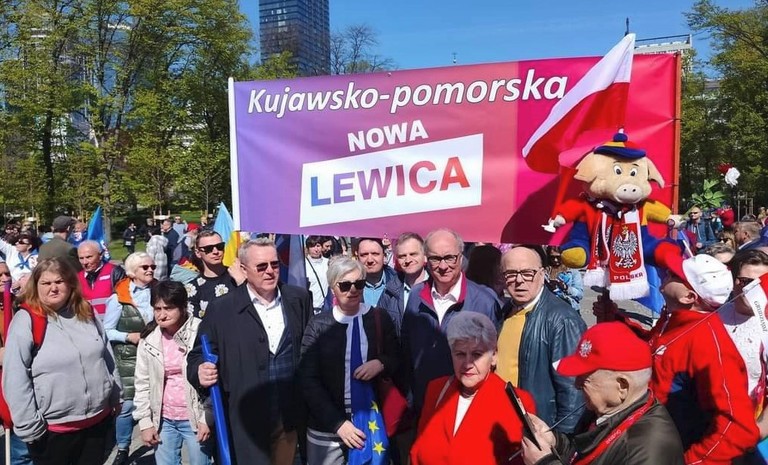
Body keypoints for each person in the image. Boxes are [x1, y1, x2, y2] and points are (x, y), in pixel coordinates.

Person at [596, 254, 760, 462]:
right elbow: (652, 350)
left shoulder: (708, 342)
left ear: (689, 297)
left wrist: (690, 461)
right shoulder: (674, 319)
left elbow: (739, 427)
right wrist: (617, 320)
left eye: (675, 275)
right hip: (647, 439)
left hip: (671, 448)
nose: (666, 273)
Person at [187, 238, 313, 465]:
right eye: (261, 266)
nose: (270, 271)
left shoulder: (298, 299)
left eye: (274, 264)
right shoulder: (222, 309)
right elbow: (197, 355)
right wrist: (200, 371)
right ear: (244, 270)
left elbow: (309, 351)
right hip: (246, 422)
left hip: (289, 418)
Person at [3, 258, 121, 464]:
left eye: (59, 281)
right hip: (53, 430)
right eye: (46, 283)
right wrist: (29, 425)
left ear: (70, 283)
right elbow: (15, 377)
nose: (54, 288)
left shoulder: (86, 312)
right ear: (36, 286)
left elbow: (106, 356)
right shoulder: (27, 320)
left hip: (97, 423)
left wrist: (116, 395)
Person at [521, 322, 684, 465]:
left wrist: (545, 462)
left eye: (585, 379)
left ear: (622, 386)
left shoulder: (649, 449)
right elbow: (582, 451)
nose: (577, 385)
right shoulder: (605, 410)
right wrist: (555, 441)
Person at [299, 256, 400, 464]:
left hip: (370, 421)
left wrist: (380, 363)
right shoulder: (318, 325)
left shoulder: (379, 318)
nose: (353, 290)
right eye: (345, 285)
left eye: (359, 284)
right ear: (332, 288)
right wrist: (338, 424)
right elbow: (308, 379)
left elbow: (396, 357)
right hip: (327, 427)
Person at [410, 312, 535, 465]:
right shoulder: (436, 389)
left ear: (494, 356)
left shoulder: (516, 402)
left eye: (477, 354)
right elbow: (417, 450)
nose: (467, 363)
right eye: (460, 354)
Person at [401, 228, 501, 415]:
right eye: (435, 259)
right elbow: (407, 351)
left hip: (468, 408)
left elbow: (495, 360)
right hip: (424, 405)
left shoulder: (484, 301)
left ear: (461, 258)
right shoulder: (416, 296)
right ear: (427, 260)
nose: (443, 266)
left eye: (449, 258)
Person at [497, 245, 586, 433]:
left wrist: (561, 440)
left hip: (539, 429)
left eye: (527, 273)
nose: (519, 280)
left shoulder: (563, 320)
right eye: (511, 274)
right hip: (503, 422)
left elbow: (573, 391)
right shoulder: (505, 311)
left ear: (542, 274)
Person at [133, 281, 211, 465]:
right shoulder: (149, 339)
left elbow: (214, 379)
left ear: (183, 307)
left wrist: (208, 417)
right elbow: (142, 382)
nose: (162, 315)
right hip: (164, 419)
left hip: (195, 417)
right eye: (157, 309)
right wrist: (145, 422)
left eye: (168, 308)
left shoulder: (202, 332)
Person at [103, 252, 158, 465]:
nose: (150, 270)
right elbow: (107, 330)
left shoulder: (159, 290)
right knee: (127, 407)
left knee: (158, 400)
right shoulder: (118, 298)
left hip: (156, 354)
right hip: (128, 359)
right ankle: (123, 448)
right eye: (145, 267)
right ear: (132, 272)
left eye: (152, 266)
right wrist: (128, 336)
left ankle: (159, 444)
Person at [717, 250, 768, 429]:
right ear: (734, 281)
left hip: (749, 422)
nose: (753, 289)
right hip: (708, 415)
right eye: (747, 282)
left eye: (761, 283)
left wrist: (758, 430)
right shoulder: (715, 314)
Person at [378, 232, 428, 337]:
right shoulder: (389, 292)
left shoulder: (438, 287)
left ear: (425, 256)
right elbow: (380, 330)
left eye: (413, 254)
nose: (408, 260)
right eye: (402, 256)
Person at [187, 230, 241, 318]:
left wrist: (242, 282)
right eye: (209, 248)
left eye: (220, 246)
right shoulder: (192, 288)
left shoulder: (238, 276)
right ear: (198, 253)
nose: (216, 251)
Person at [77, 241, 126, 320]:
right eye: (81, 258)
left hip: (112, 323)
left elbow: (125, 301)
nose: (85, 262)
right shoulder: (77, 278)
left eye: (89, 257)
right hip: (89, 324)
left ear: (100, 255)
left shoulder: (115, 272)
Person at [354, 237, 402, 309]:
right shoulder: (348, 285)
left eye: (375, 254)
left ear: (384, 255)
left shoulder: (400, 283)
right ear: (357, 257)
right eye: (364, 255)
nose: (370, 260)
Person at [545, 245, 583, 311]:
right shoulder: (546, 270)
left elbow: (579, 295)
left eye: (558, 257)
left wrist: (566, 288)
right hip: (549, 308)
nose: (555, 260)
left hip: (569, 308)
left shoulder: (572, 271)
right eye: (552, 257)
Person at [304, 235, 329, 315]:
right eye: (312, 246)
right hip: (309, 308)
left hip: (325, 307)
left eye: (318, 246)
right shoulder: (303, 264)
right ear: (308, 248)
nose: (316, 249)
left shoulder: (328, 263)